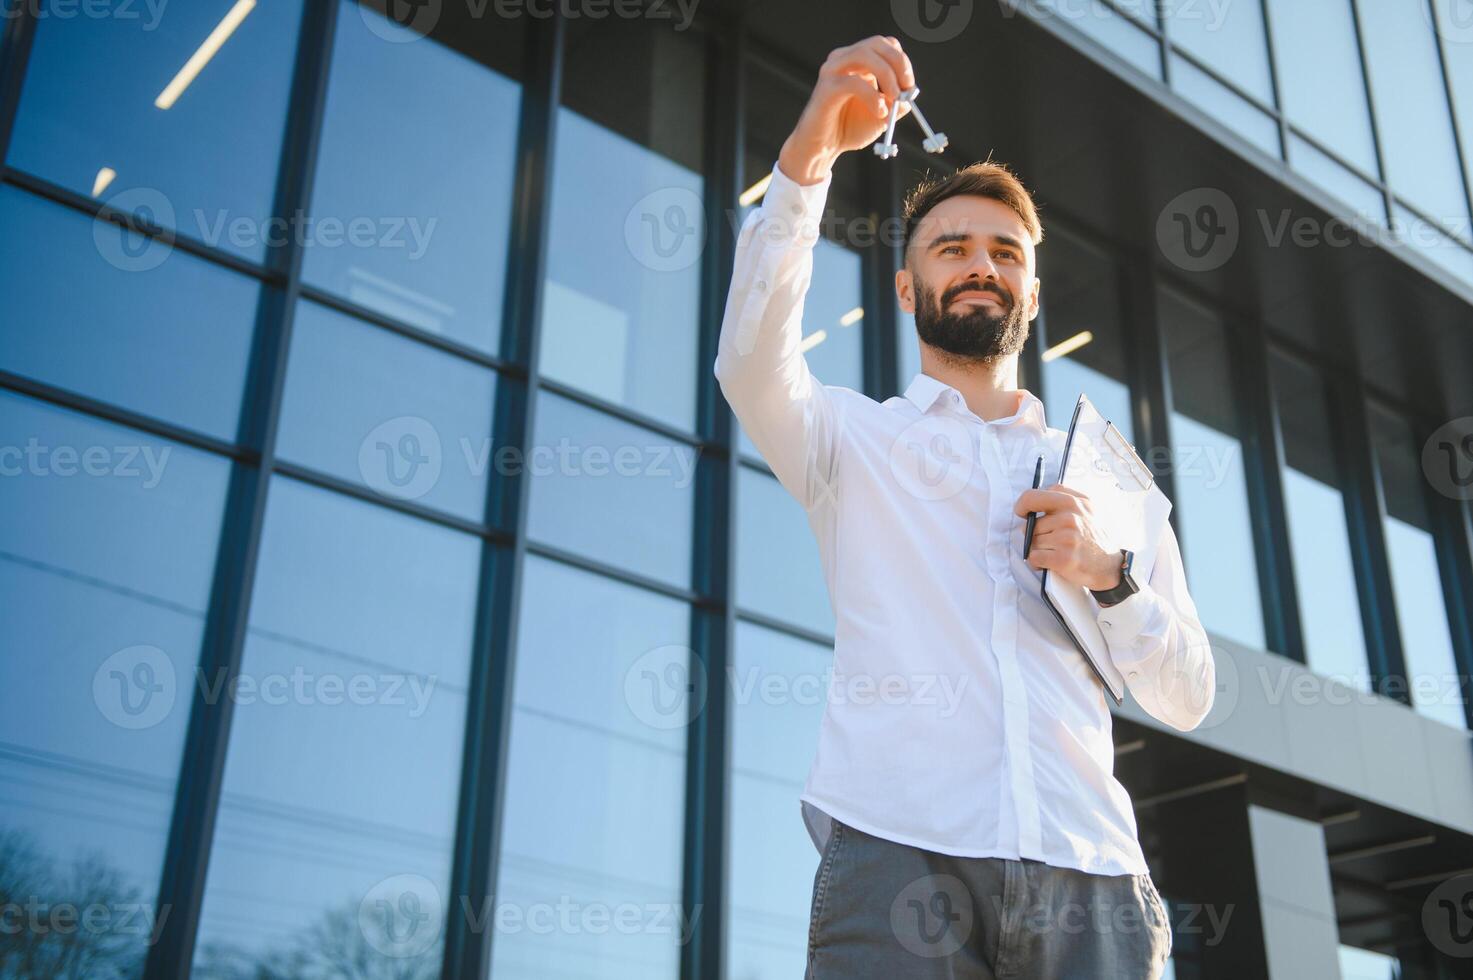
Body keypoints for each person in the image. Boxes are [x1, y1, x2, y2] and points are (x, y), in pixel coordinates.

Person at [713, 34, 1217, 980]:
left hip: (1094, 879)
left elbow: (1187, 695)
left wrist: (1109, 578)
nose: (979, 264)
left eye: (1004, 251)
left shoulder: (1112, 485)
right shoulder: (849, 442)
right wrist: (813, 149)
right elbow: (748, 358)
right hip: (902, 862)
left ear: (1030, 287)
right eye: (951, 248)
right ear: (908, 288)